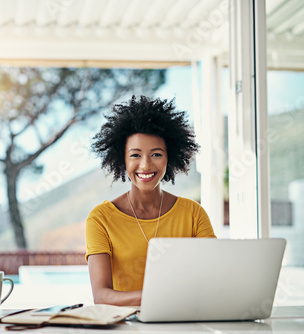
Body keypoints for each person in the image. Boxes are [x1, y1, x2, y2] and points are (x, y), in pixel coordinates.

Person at [85, 96, 216, 306]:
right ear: (122, 159)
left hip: (185, 321)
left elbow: (214, 278)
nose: (145, 165)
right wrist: (159, 296)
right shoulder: (101, 219)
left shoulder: (193, 213)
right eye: (135, 155)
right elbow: (101, 297)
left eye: (156, 154)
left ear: (169, 158)